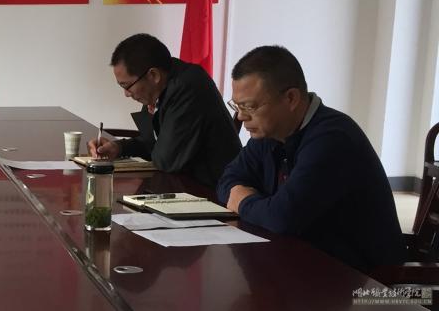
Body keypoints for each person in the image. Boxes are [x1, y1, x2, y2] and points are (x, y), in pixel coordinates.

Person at [217, 46, 404, 273]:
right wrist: (254, 203)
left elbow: (282, 218)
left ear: (291, 98)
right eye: (237, 106)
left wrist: (243, 202)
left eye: (250, 106)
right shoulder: (269, 133)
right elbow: (228, 180)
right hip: (303, 261)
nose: (241, 116)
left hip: (363, 279)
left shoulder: (333, 138)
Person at [87, 33, 240, 187]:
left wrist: (154, 114)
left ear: (153, 75)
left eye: (127, 86)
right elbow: (152, 141)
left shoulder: (186, 87)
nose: (126, 94)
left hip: (215, 190)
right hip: (183, 183)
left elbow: (165, 160)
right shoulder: (160, 85)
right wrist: (118, 147)